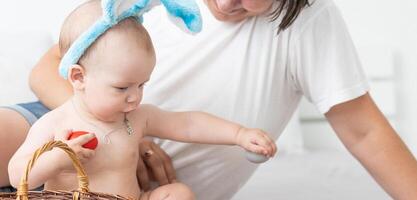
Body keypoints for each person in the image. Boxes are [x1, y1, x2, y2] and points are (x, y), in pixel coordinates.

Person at [1, 0, 417, 199]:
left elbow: (364, 130)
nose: (224, 2)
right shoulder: (126, 14)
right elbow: (49, 68)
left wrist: (238, 134)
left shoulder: (309, 23)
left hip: (136, 181)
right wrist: (98, 129)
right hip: (63, 124)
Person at [7, 1, 276, 200]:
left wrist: (239, 134)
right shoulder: (55, 123)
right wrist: (55, 159)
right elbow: (17, 175)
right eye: (122, 87)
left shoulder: (135, 119)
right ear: (78, 78)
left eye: (142, 85)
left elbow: (187, 123)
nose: (135, 97)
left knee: (179, 194)